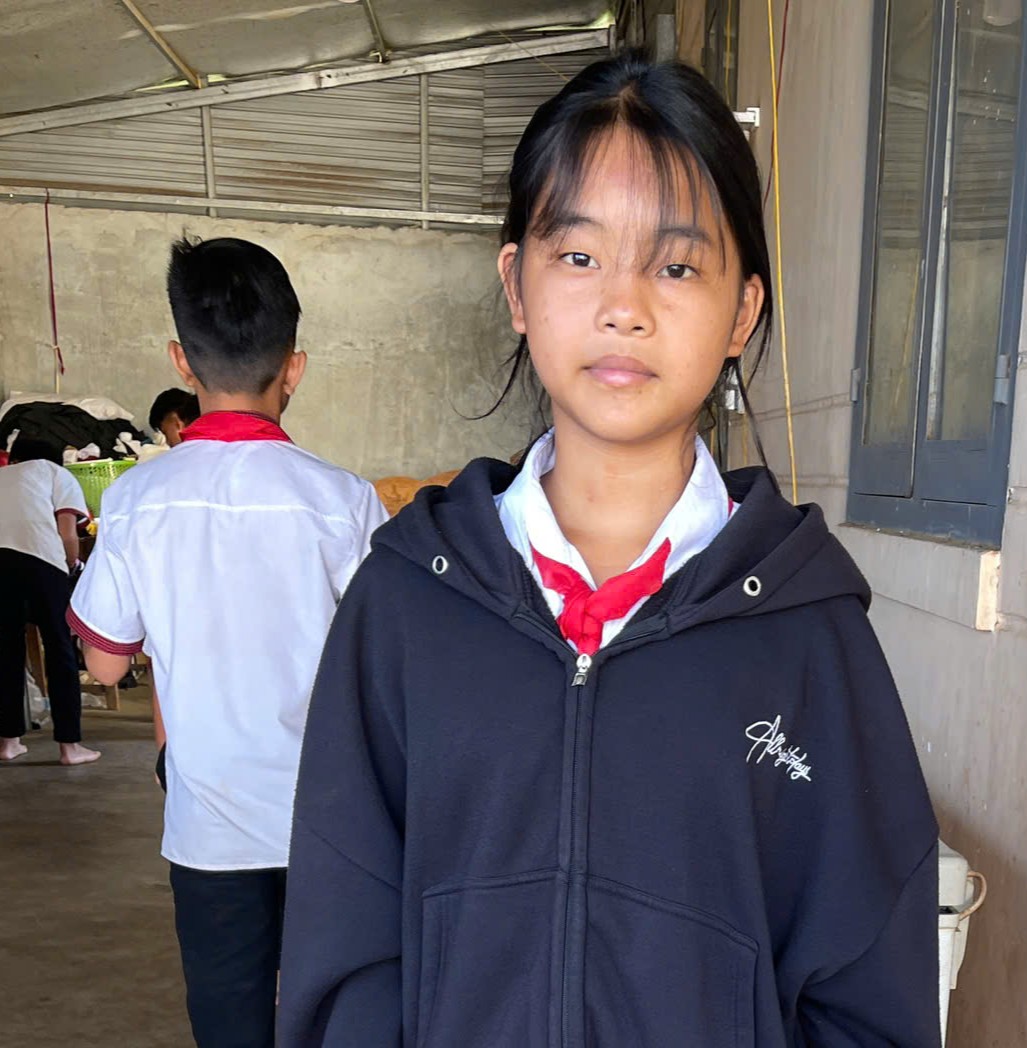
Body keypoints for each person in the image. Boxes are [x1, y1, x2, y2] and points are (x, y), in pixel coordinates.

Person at [278, 52, 941, 1047]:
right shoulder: (406, 606)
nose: (624, 305)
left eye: (676, 266)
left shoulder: (808, 637)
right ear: (517, 283)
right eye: (580, 255)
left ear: (742, 311)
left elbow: (868, 991)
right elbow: (345, 953)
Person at [68, 236, 388, 1048]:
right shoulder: (345, 501)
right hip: (332, 821)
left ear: (182, 360)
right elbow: (386, 664)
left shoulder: (139, 499)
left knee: (229, 1014)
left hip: (210, 826)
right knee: (339, 1011)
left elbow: (105, 659)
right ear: (294, 367)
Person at [0, 438, 100, 765]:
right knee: (59, 649)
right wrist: (72, 565)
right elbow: (68, 534)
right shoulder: (56, 473)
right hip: (42, 561)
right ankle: (70, 747)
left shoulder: (3, 475)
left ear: (14, 458)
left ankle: (8, 742)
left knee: (7, 653)